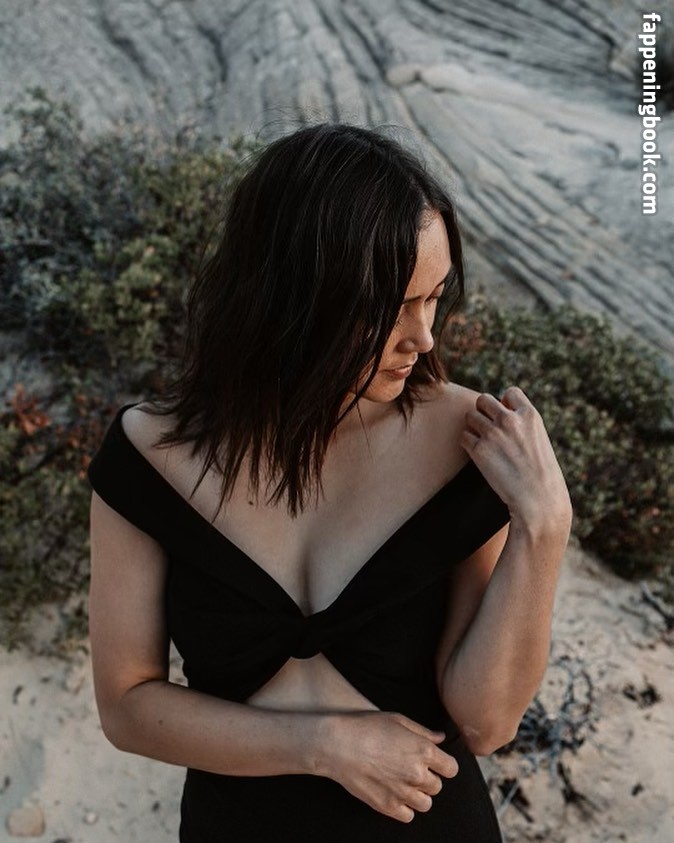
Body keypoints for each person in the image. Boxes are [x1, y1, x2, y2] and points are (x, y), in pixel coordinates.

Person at [86, 122, 572, 842]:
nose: (423, 337)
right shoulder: (148, 456)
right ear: (293, 295)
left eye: (434, 297)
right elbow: (126, 706)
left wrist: (544, 525)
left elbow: (484, 721)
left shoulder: (466, 440)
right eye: (391, 307)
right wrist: (324, 745)